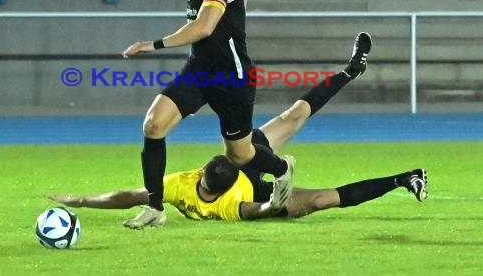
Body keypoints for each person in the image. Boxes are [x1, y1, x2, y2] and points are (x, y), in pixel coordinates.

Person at [52, 32, 427, 222]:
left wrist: (82, 200)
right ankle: (405, 177)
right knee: (320, 197)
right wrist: (273, 203)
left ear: (201, 175)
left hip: (253, 161)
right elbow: (259, 208)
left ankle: (351, 71)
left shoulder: (182, 186)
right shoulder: (231, 200)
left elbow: (129, 196)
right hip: (260, 187)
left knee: (297, 120)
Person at [120, 0, 295, 228]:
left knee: (241, 155)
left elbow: (203, 27)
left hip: (232, 78)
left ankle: (281, 168)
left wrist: (153, 45)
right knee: (153, 124)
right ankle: (155, 206)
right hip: (200, 70)